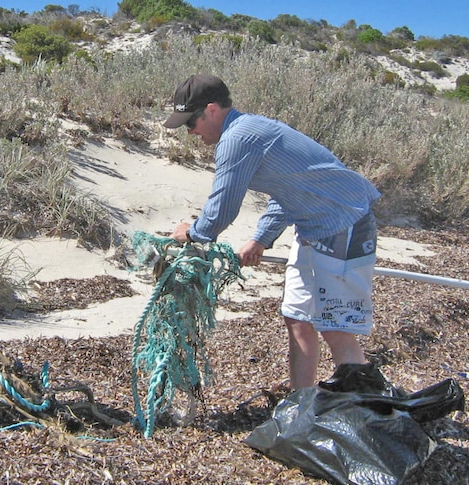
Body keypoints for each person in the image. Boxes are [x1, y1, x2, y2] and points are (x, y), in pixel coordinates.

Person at [164, 74, 386, 391]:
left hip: (344, 222)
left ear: (211, 110)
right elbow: (289, 191)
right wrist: (261, 238)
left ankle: (367, 414)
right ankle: (301, 405)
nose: (190, 132)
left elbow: (222, 208)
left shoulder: (238, 138)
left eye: (191, 122)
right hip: (311, 228)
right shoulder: (250, 130)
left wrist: (191, 234)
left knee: (336, 329)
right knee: (297, 318)